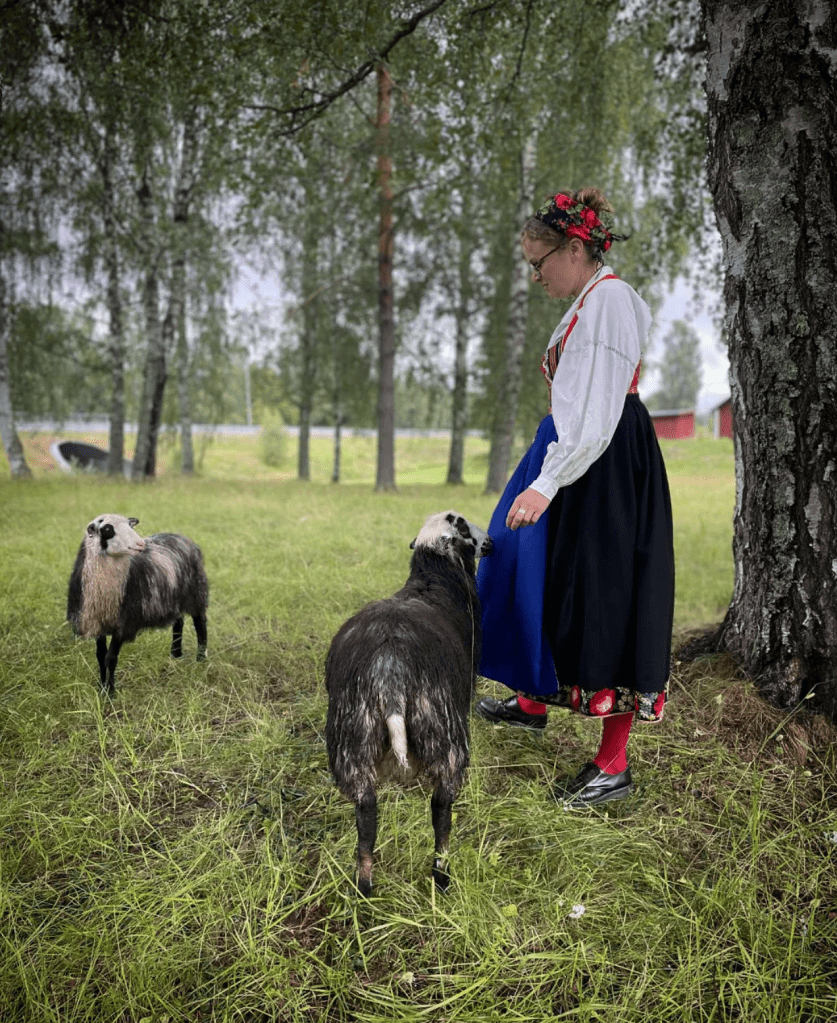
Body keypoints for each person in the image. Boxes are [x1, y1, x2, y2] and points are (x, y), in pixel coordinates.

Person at [475, 188, 675, 807]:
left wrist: (545, 482)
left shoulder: (609, 300)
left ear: (578, 248)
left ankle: (612, 764)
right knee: (526, 563)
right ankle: (534, 698)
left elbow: (598, 407)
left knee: (607, 593)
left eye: (540, 263)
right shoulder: (589, 300)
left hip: (604, 459)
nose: (535, 275)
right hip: (575, 453)